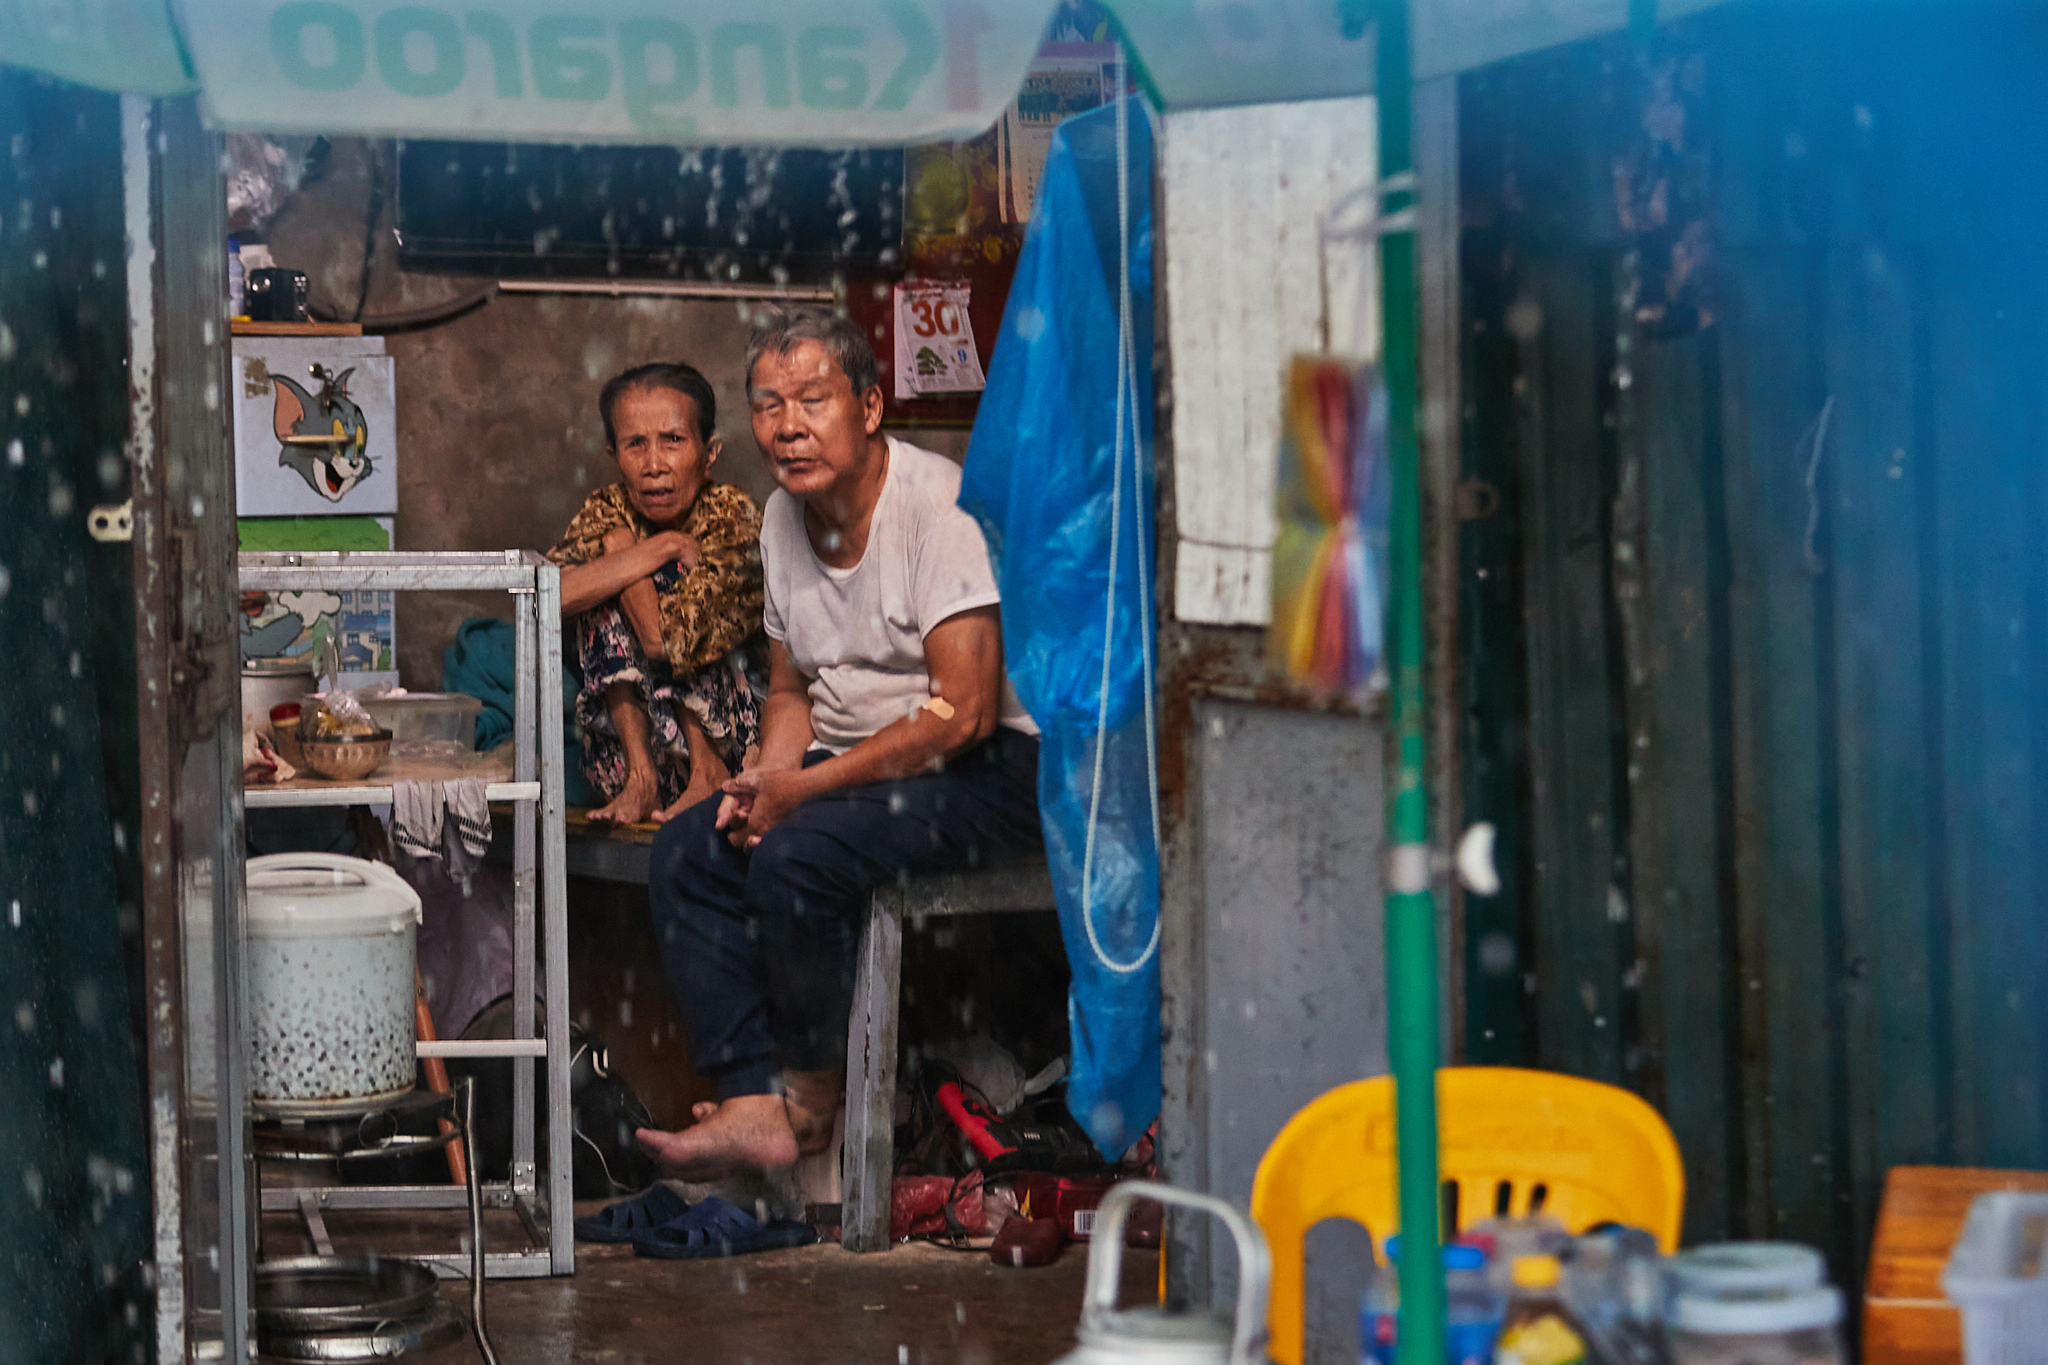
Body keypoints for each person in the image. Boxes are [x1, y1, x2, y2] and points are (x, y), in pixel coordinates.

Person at [635, 310, 1043, 1178]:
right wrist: (765, 781)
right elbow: (791, 689)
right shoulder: (784, 519)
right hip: (862, 769)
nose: (788, 426)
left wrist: (804, 798)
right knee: (687, 848)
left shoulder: (939, 507)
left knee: (796, 857)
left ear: (869, 405)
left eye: (813, 400)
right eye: (770, 405)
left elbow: (961, 712)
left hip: (992, 767)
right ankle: (752, 1097)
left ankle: (811, 1100)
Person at [548, 363, 767, 826]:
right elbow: (545, 598)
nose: (653, 465)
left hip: (739, 746)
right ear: (614, 453)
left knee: (632, 578)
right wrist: (659, 546)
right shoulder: (610, 508)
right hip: (634, 755)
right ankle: (641, 780)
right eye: (635, 445)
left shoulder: (732, 518)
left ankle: (705, 772)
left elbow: (664, 642)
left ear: (708, 454)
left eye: (673, 440)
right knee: (604, 588)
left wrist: (625, 556)